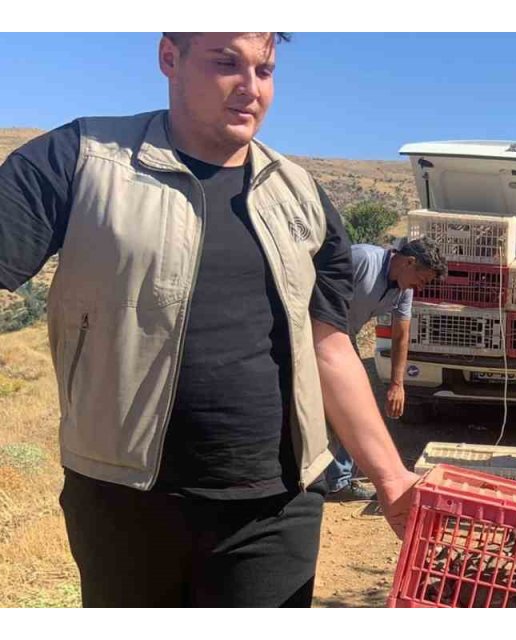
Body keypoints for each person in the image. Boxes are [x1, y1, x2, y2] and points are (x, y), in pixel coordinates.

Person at [0, 32, 420, 607]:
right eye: (227, 64)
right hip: (123, 500)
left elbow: (329, 344)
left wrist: (392, 480)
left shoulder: (299, 195)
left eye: (265, 70)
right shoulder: (82, 159)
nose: (250, 88)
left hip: (276, 506)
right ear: (169, 58)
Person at [325, 237, 445, 501]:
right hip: (316, 332)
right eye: (422, 279)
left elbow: (401, 336)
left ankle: (338, 481)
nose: (420, 287)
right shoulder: (363, 260)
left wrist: (397, 384)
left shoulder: (404, 290)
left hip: (344, 337)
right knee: (326, 403)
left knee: (350, 404)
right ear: (409, 262)